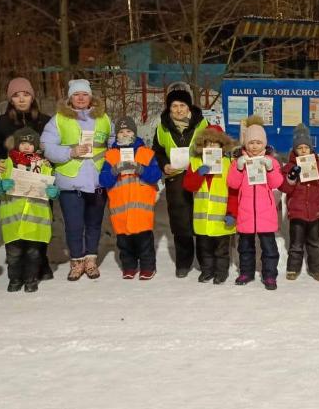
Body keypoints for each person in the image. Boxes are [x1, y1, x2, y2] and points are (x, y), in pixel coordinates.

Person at [41, 79, 113, 281]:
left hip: (98, 180)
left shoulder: (104, 118)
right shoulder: (59, 119)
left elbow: (115, 141)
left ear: (91, 97)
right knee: (74, 225)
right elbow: (47, 146)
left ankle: (91, 260)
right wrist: (70, 152)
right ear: (70, 98)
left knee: (94, 224)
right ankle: (77, 261)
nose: (81, 98)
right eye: (76, 94)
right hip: (70, 181)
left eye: (84, 94)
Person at [0, 77, 54, 279]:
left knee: (38, 221)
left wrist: (50, 162)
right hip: (12, 184)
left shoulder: (45, 120)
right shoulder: (1, 122)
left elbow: (52, 146)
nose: (22, 99)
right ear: (10, 99)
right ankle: (18, 266)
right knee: (15, 224)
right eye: (16, 95)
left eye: (26, 94)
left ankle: (41, 262)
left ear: (33, 97)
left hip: (37, 182)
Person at [0, 128, 60, 293]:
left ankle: (30, 280)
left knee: (33, 254)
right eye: (23, 143)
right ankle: (15, 280)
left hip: (35, 220)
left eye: (30, 143)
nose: (26, 146)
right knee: (13, 255)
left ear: (35, 146)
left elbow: (54, 187)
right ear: (16, 144)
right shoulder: (5, 164)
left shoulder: (44, 165)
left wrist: (54, 192)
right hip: (13, 220)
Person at [151, 86, 208, 278]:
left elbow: (215, 146)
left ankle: (204, 260)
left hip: (199, 177)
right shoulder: (163, 126)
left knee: (201, 217)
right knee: (180, 220)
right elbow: (157, 151)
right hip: (175, 178)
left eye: (182, 105)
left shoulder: (202, 124)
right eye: (174, 105)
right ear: (169, 108)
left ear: (189, 106)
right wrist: (164, 164)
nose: (178, 109)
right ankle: (183, 262)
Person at [99, 116, 162, 280]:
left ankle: (148, 268)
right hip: (120, 211)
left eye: (128, 131)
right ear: (116, 135)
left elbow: (155, 175)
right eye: (121, 132)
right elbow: (103, 180)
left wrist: (140, 168)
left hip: (142, 210)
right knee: (124, 243)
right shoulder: (111, 155)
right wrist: (114, 171)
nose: (125, 134)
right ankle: (129, 267)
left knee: (144, 242)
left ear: (134, 133)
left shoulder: (146, 153)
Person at [226, 116, 284, 290]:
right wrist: (238, 168)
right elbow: (232, 184)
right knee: (245, 247)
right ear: (245, 144)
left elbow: (277, 183)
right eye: (251, 142)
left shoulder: (271, 161)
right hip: (246, 213)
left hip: (266, 213)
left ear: (264, 144)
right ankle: (246, 272)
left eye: (258, 142)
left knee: (269, 248)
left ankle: (270, 275)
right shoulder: (239, 161)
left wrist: (271, 168)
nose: (254, 146)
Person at [280, 123, 319, 282]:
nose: (303, 150)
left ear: (311, 148)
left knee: (314, 243)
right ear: (294, 150)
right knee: (296, 243)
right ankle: (293, 268)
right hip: (297, 212)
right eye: (300, 148)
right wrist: (291, 178)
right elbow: (284, 188)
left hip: (315, 211)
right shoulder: (290, 167)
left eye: (306, 147)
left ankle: (316, 269)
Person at [182, 125, 237, 284]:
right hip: (202, 219)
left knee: (222, 250)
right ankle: (207, 271)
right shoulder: (195, 162)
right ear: (202, 145)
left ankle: (221, 272)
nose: (212, 146)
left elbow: (234, 193)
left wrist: (232, 214)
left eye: (216, 143)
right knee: (204, 249)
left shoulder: (229, 164)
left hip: (222, 219)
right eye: (208, 142)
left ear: (222, 145)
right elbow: (188, 186)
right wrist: (199, 173)